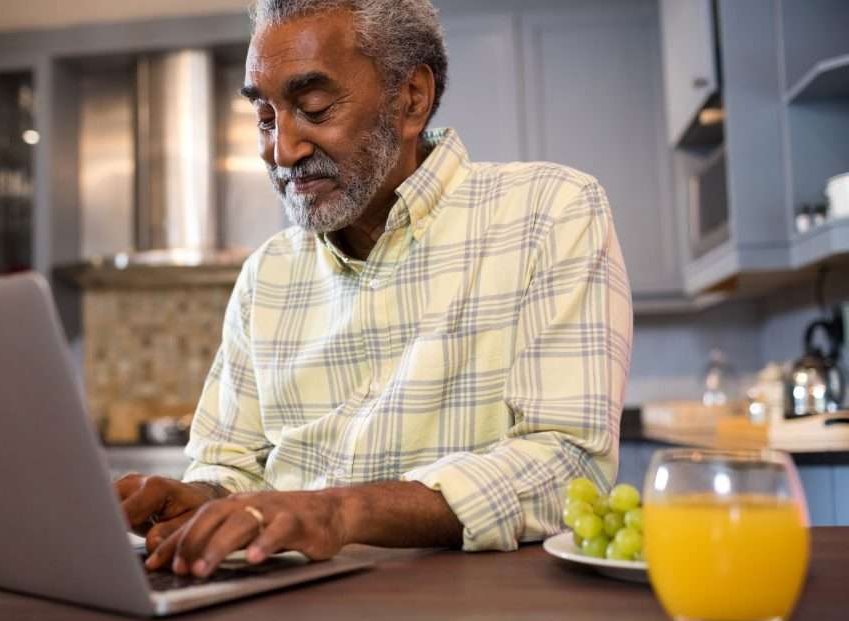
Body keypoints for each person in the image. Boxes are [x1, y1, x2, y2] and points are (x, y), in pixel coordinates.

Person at [115, 0, 632, 578]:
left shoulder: (549, 212)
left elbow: (567, 467)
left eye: (312, 106)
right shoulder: (268, 275)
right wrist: (210, 500)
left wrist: (341, 511)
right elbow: (236, 469)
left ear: (410, 97)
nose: (281, 150)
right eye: (265, 117)